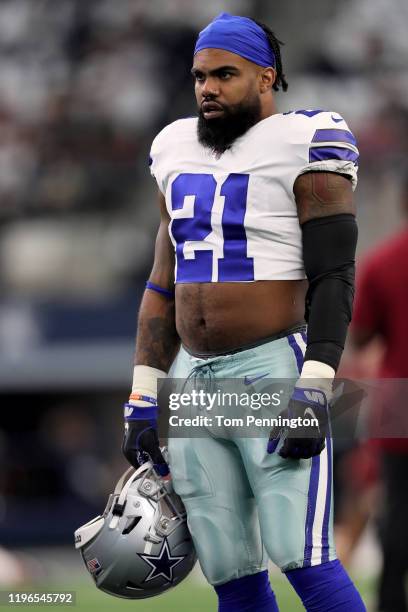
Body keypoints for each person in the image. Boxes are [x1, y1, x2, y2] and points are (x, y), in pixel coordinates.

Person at [122, 13, 366, 612]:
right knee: (229, 568)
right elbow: (162, 283)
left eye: (225, 75)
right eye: (200, 76)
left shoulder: (305, 139)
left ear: (266, 77)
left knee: (302, 556)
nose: (208, 88)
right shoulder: (173, 146)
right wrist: (143, 391)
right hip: (193, 377)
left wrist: (315, 384)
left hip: (270, 371)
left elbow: (334, 277)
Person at [350, 181, 408, 612]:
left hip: (399, 404)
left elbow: (363, 334)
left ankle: (389, 603)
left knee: (399, 519)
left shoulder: (384, 261)